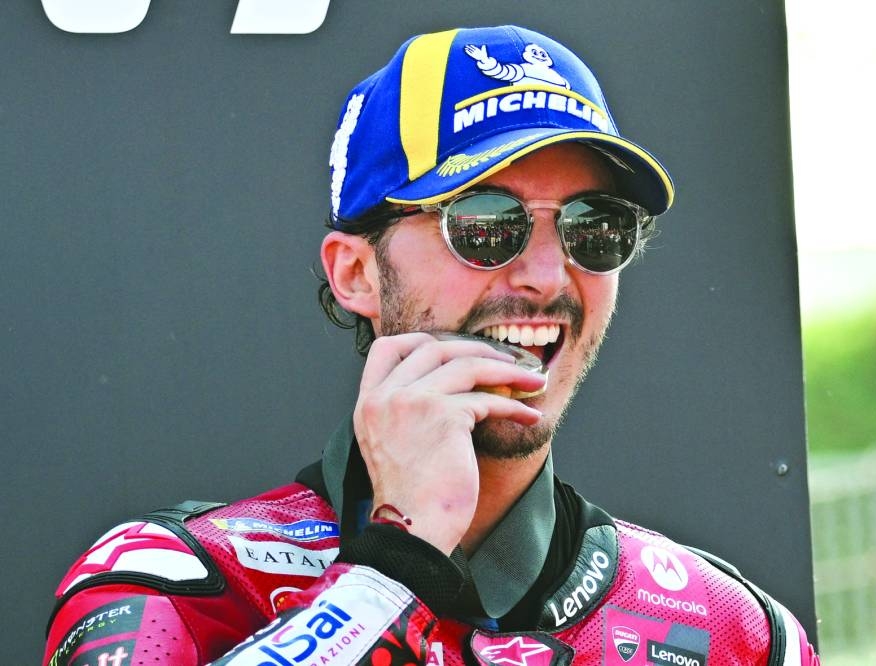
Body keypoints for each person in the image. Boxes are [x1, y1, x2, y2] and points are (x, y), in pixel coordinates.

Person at [42, 25, 820, 665]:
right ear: (357, 272)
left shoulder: (735, 634)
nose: (548, 275)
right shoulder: (180, 581)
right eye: (486, 224)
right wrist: (397, 566)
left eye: (594, 228)